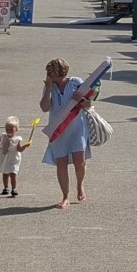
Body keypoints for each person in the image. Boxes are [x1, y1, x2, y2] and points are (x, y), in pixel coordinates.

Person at [40, 58, 95, 209]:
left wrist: (82, 100)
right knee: (61, 163)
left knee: (80, 161)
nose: (48, 75)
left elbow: (90, 103)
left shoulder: (76, 82)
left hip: (77, 127)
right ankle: (65, 197)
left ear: (59, 72)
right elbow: (44, 108)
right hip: (58, 130)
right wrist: (48, 89)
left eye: (50, 72)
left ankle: (80, 185)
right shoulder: (50, 87)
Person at [0, 115, 33, 197]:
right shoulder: (3, 136)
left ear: (16, 129)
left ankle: (14, 189)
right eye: (7, 129)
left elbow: (19, 149)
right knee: (5, 173)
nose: (8, 131)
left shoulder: (17, 139)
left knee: (13, 173)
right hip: (4, 158)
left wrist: (25, 146)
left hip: (13, 159)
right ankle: (6, 187)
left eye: (11, 129)